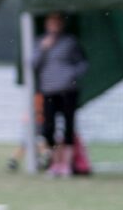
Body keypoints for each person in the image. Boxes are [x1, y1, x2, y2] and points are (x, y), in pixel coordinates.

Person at [33, 12, 88, 177]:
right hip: (48, 90)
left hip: (68, 90)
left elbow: (83, 63)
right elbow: (32, 63)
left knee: (68, 127)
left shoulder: (70, 42)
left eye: (57, 22)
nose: (54, 25)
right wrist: (43, 48)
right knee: (49, 127)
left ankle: (67, 165)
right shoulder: (40, 42)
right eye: (51, 22)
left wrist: (70, 74)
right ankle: (54, 163)